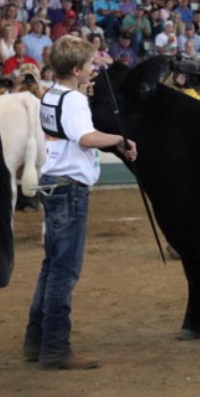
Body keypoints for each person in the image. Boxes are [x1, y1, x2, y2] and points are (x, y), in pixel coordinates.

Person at [23, 34, 137, 369]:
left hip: (53, 183)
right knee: (65, 270)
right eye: (88, 65)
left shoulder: (50, 94)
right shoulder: (72, 100)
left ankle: (36, 341)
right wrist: (120, 138)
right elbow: (84, 137)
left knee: (51, 267)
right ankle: (55, 348)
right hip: (70, 187)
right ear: (76, 69)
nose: (92, 70)